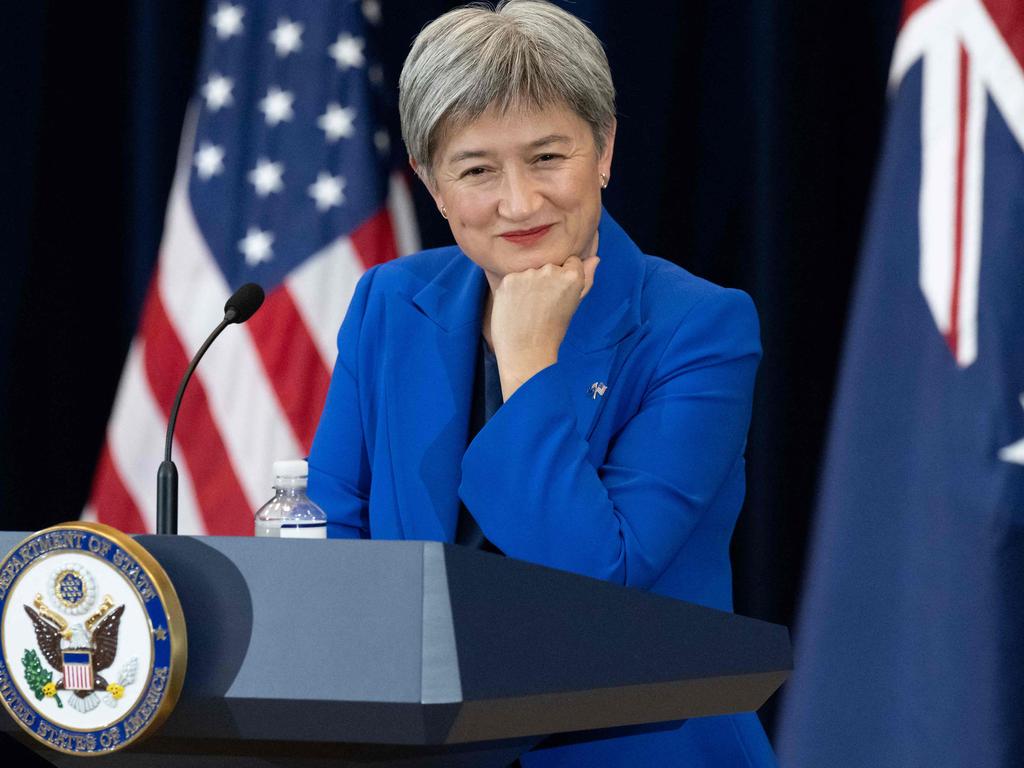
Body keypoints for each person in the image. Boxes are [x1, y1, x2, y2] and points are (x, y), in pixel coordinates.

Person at [308, 1, 776, 765]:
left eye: (548, 157)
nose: (519, 203)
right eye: (477, 170)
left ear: (604, 150)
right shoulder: (390, 304)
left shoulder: (700, 329)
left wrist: (529, 365)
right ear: (430, 183)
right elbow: (331, 537)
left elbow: (595, 581)